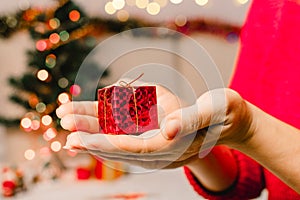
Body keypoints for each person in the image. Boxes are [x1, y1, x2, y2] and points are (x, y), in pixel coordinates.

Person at [56, 0, 300, 199]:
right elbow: (249, 171)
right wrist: (197, 145)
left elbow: (249, 131)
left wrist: (250, 130)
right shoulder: (269, 6)